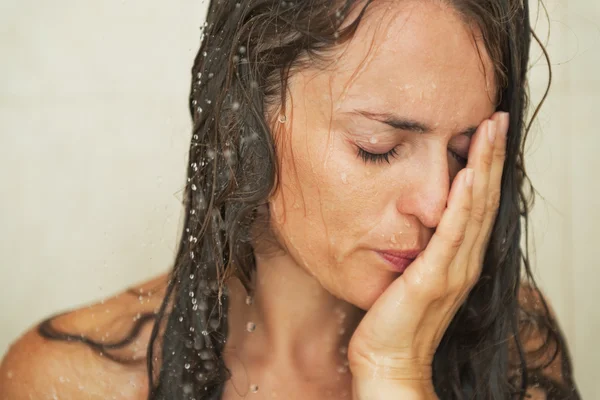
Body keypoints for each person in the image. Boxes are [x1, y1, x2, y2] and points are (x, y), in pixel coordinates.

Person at [0, 0, 582, 398]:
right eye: (377, 147)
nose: (437, 205)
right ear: (249, 116)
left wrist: (395, 374)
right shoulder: (74, 379)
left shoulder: (513, 350)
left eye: (462, 153)